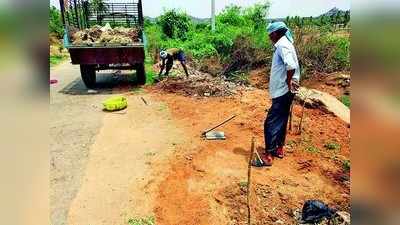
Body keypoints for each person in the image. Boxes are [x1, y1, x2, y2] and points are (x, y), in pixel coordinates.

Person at [261, 21, 300, 166]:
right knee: (282, 119)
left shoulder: (283, 45)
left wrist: (288, 82)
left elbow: (291, 66)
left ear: (276, 33)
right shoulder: (285, 44)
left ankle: (269, 155)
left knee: (270, 122)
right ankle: (279, 148)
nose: (269, 37)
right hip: (284, 91)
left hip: (283, 91)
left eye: (270, 34)